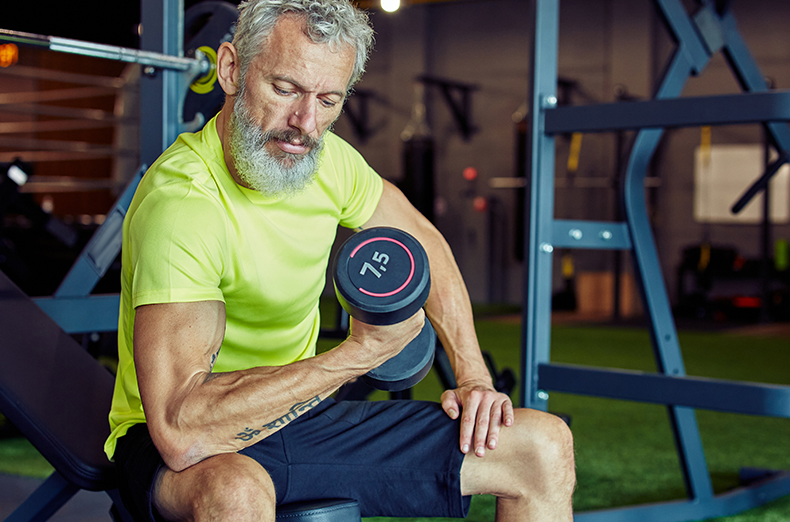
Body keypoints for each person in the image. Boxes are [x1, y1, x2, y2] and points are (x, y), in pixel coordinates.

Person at [105, 0, 575, 520]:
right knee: (235, 492)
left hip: (295, 417)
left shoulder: (328, 162)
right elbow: (180, 430)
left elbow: (424, 241)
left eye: (328, 99)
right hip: (170, 440)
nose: (304, 123)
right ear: (231, 69)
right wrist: (358, 355)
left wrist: (472, 376)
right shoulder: (184, 205)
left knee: (541, 448)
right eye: (284, 89)